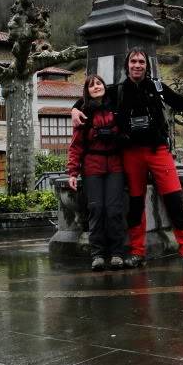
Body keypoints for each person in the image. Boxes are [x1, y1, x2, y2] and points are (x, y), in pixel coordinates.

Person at [72, 48, 183, 270]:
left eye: (141, 61)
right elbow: (89, 99)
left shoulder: (158, 87)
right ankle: (137, 252)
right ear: (127, 66)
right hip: (131, 154)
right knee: (135, 205)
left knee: (175, 200)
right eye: (133, 61)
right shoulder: (118, 90)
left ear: (147, 65)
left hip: (158, 151)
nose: (137, 65)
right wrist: (73, 111)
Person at [67, 74, 126, 272]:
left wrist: (117, 137)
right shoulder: (83, 113)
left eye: (99, 83)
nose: (96, 87)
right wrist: (73, 173)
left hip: (116, 166)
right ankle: (98, 255)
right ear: (87, 91)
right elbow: (75, 146)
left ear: (104, 86)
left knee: (114, 209)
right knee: (96, 209)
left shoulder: (116, 108)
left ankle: (117, 253)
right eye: (91, 85)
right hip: (92, 167)